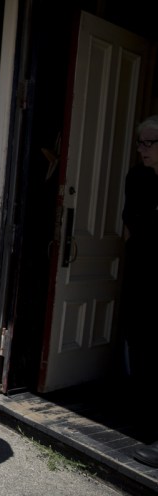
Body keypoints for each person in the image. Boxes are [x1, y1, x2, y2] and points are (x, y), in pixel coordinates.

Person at [121, 115, 158, 468]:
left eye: (150, 143)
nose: (142, 150)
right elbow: (130, 224)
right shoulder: (139, 178)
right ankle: (145, 421)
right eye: (140, 143)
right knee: (142, 342)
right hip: (143, 273)